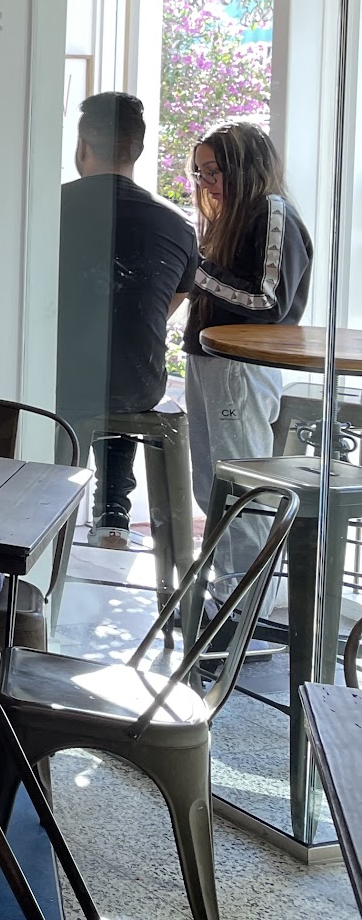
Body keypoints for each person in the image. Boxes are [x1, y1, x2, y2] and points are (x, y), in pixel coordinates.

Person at [57, 92, 199, 550]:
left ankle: (52, 499)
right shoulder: (177, 224)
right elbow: (169, 302)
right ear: (137, 149)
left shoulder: (48, 209)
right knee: (120, 356)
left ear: (82, 146)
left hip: (62, 381)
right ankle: (114, 507)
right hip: (140, 384)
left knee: (78, 370)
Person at [185, 123, 312, 609]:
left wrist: (197, 270)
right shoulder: (236, 216)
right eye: (200, 172)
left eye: (213, 171)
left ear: (244, 167)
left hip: (238, 365)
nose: (205, 182)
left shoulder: (271, 212)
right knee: (213, 485)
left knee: (244, 489)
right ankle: (231, 598)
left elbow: (268, 302)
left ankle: (244, 605)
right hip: (211, 360)